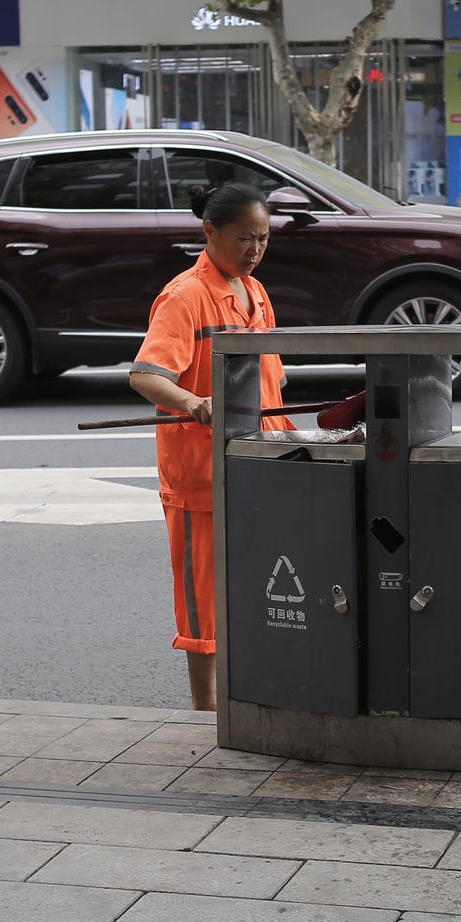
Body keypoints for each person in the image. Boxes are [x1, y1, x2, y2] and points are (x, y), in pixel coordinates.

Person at [129, 182, 295, 711]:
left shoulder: (257, 293)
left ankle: (249, 693)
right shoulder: (185, 296)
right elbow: (146, 375)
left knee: (259, 584)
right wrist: (193, 400)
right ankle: (206, 708)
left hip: (262, 459)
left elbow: (275, 381)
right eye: (245, 238)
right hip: (201, 472)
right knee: (204, 598)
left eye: (264, 239)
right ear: (210, 232)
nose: (255, 249)